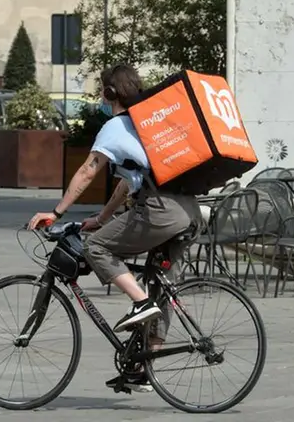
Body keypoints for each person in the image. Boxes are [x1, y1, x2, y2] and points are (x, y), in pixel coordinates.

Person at [27, 64, 203, 393]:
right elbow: (128, 181)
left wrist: (56, 211)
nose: (101, 98)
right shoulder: (148, 124)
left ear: (110, 93)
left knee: (96, 247)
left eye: (102, 92)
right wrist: (103, 217)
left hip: (160, 210)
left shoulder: (115, 126)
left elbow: (88, 170)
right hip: (188, 211)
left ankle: (140, 303)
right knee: (159, 284)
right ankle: (144, 366)